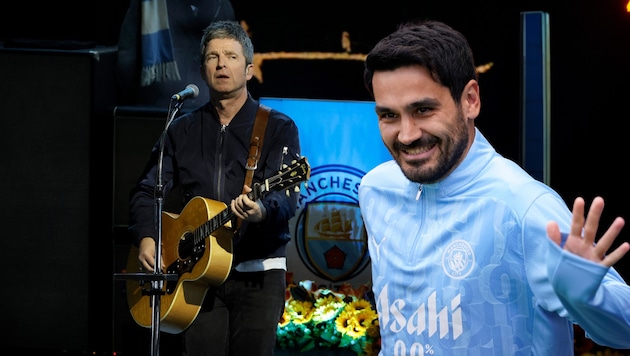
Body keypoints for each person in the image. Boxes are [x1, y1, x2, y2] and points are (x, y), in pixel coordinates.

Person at [358, 19, 630, 355]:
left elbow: (625, 330)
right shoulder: (374, 190)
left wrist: (590, 300)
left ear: (470, 100)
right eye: (389, 116)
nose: (407, 134)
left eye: (423, 110)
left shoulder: (524, 206)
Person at [128, 20, 302, 355]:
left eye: (231, 56)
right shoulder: (181, 130)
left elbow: (285, 199)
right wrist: (148, 238)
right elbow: (147, 191)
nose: (221, 64)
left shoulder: (278, 127)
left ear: (249, 69)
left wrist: (261, 210)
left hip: (257, 274)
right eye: (213, 57)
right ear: (203, 68)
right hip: (195, 276)